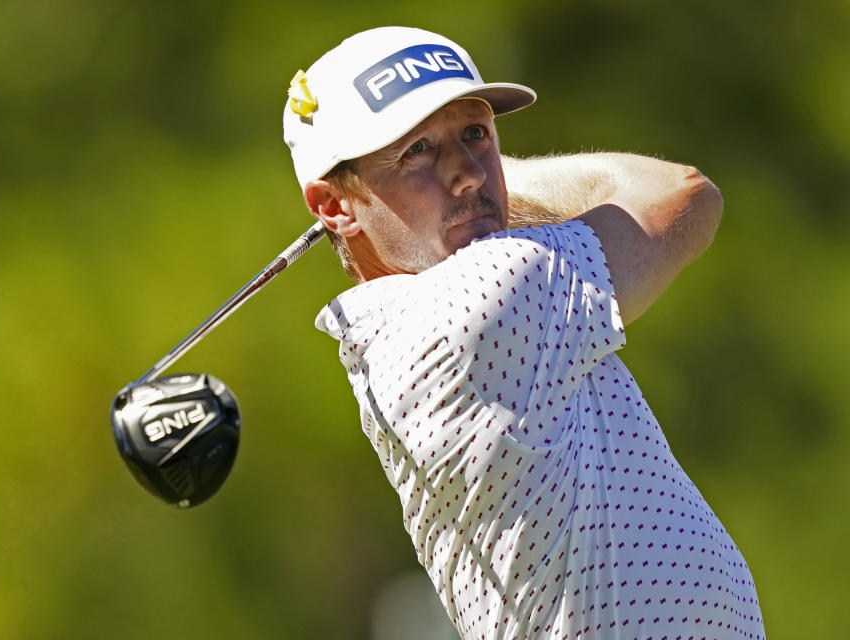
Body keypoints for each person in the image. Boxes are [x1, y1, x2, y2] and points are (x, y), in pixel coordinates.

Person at [283, 26, 765, 639]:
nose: (465, 173)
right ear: (332, 206)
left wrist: (458, 179)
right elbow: (683, 196)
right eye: (418, 152)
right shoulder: (483, 297)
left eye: (475, 134)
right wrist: (500, 172)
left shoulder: (421, 317)